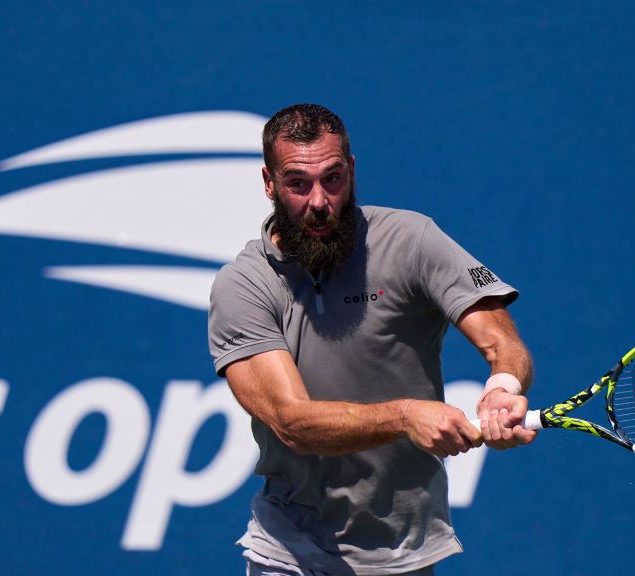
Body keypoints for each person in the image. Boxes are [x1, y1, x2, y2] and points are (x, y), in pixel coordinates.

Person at [208, 104, 536, 576]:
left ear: (353, 170)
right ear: (269, 183)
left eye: (333, 178)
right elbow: (292, 422)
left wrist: (502, 387)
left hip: (406, 551)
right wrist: (405, 416)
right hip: (292, 552)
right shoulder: (243, 286)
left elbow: (499, 337)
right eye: (298, 183)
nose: (319, 201)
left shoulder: (412, 240)